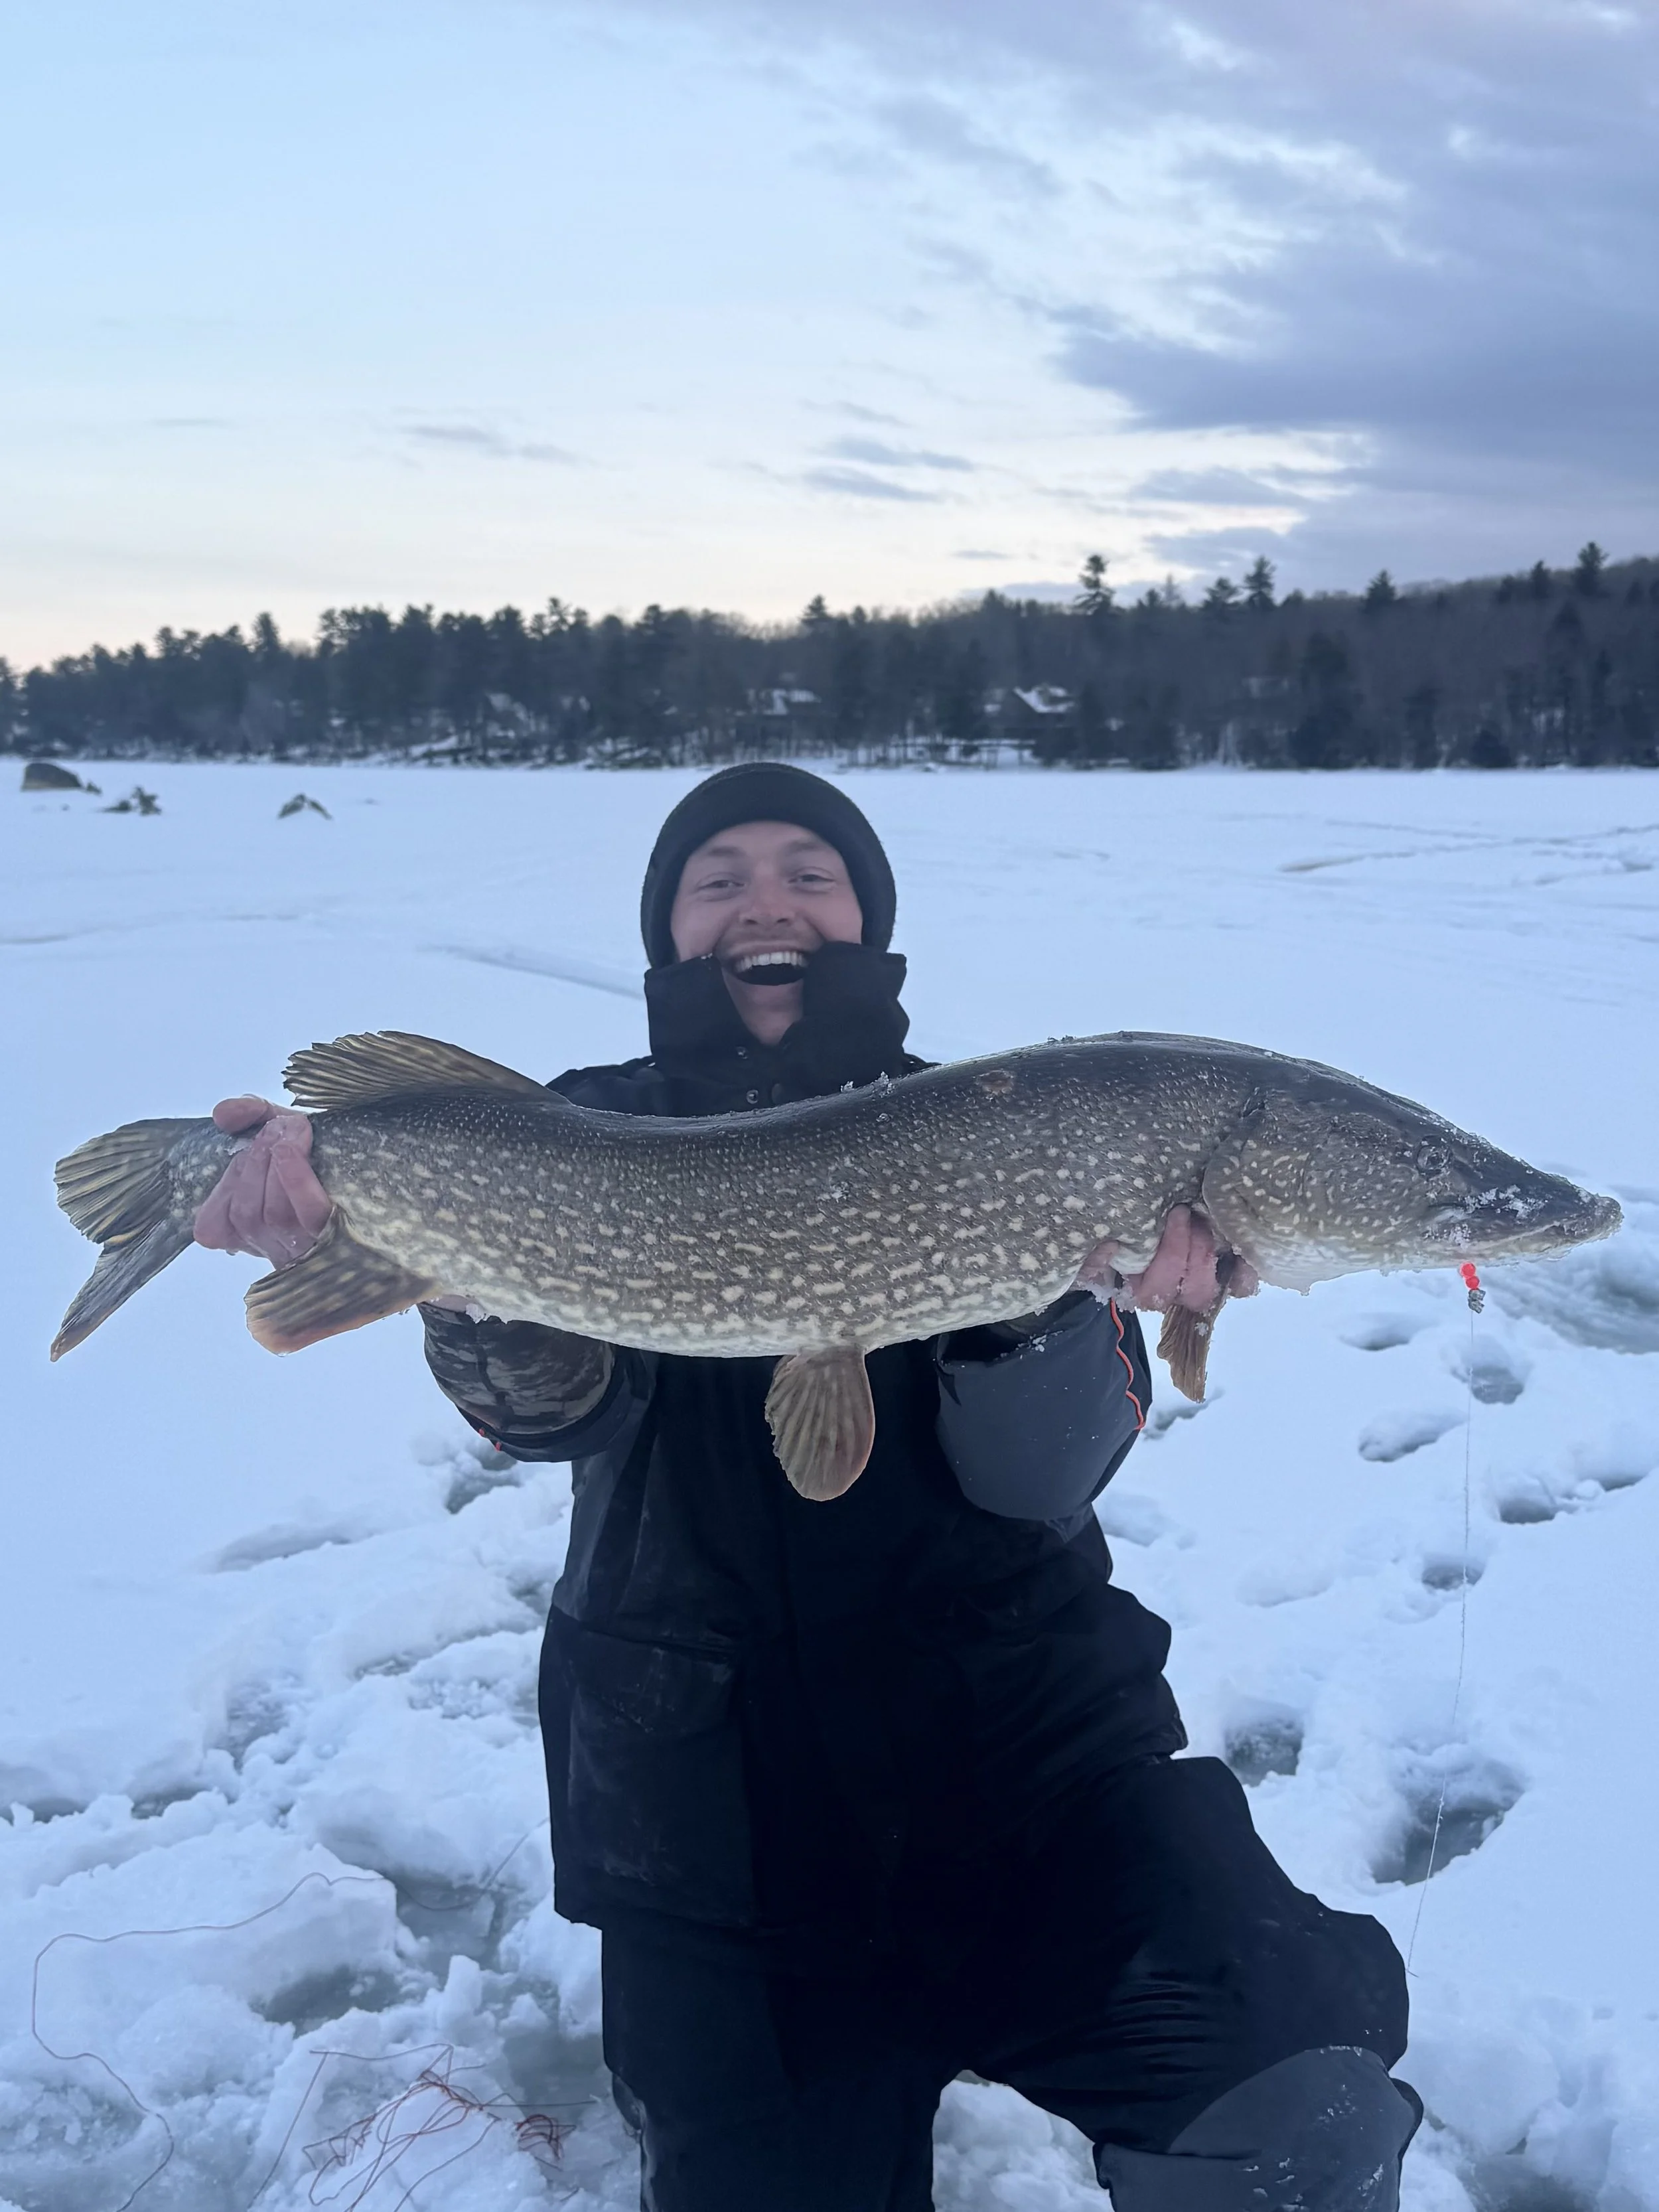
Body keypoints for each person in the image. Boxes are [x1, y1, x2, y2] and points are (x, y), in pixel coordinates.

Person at [195, 763, 1420, 2209]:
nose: (763, 901)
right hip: (708, 1826)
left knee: (1294, 2084)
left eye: (808, 871)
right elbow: (552, 1418)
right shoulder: (573, 1129)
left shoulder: (1014, 1130)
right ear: (668, 932)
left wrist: (1046, 1287)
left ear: (866, 919)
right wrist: (449, 1271)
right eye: (716, 877)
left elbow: (1041, 1479)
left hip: (1031, 1772)